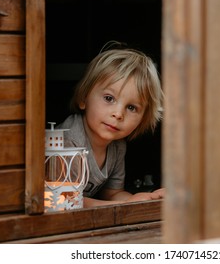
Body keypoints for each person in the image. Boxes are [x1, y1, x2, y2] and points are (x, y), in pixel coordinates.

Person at [57, 43, 165, 207]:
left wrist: (139, 199)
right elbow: (63, 199)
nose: (118, 114)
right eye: (109, 98)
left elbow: (112, 193)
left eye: (131, 107)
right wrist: (114, 208)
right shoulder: (68, 142)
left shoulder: (117, 147)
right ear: (84, 98)